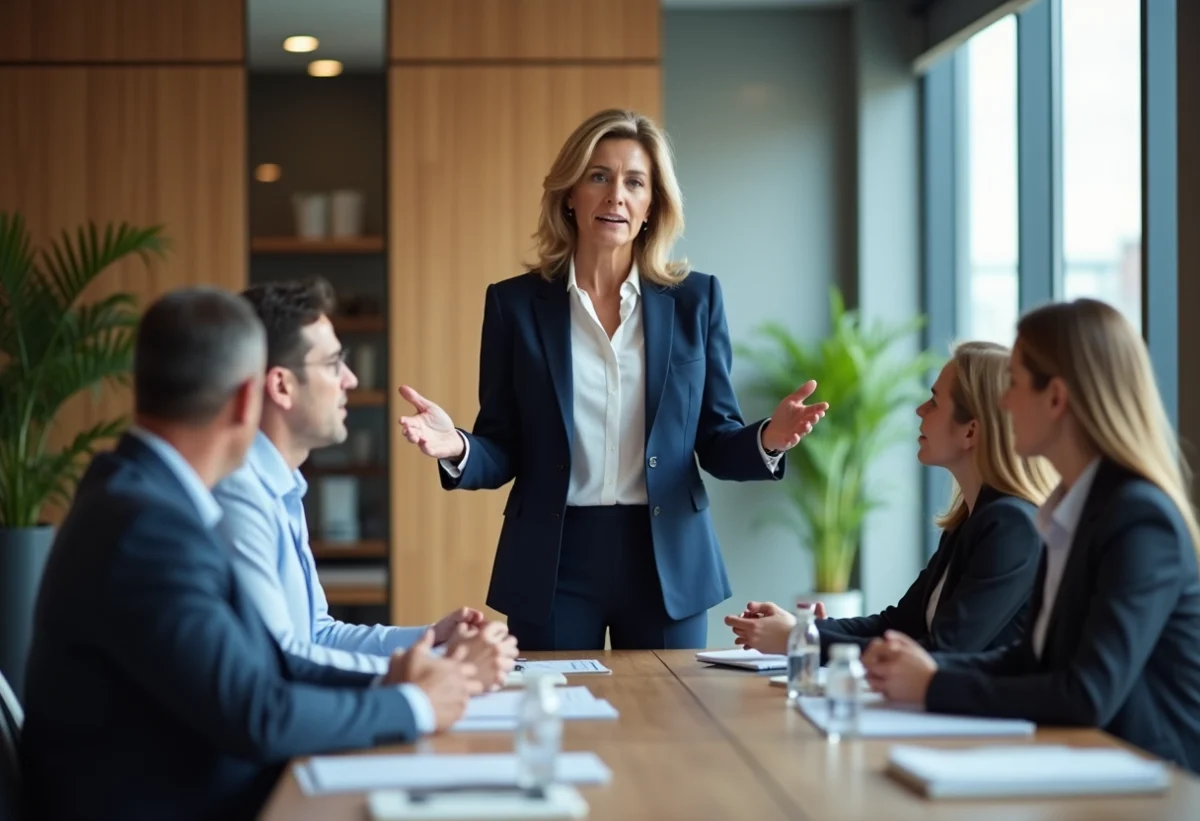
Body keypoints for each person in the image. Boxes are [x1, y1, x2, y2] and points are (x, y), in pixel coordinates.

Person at [21, 288, 480, 821]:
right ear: (249, 399)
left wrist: (412, 679)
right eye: (334, 364)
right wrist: (416, 703)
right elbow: (258, 712)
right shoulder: (149, 528)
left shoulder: (138, 494)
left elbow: (270, 662)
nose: (350, 380)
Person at [397, 108, 828, 650]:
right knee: (553, 702)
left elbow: (715, 441)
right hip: (553, 560)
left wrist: (769, 439)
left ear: (652, 206)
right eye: (599, 176)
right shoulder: (513, 305)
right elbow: (503, 446)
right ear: (570, 195)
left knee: (670, 704)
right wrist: (457, 446)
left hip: (667, 559)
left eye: (635, 182)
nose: (616, 196)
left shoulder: (696, 301)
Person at [863, 299, 1200, 774]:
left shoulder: (1138, 519)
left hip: (1149, 782)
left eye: (1015, 384)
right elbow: (1033, 660)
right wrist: (924, 671)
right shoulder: (1074, 510)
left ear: (1056, 398)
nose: (1002, 404)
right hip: (1087, 767)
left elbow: (1086, 694)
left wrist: (933, 683)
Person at [215, 278, 517, 686]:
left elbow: (318, 635)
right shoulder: (238, 493)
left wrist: (432, 641)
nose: (351, 379)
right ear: (282, 386)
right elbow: (283, 664)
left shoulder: (282, 485)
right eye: (332, 364)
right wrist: (442, 671)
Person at [725, 341, 1056, 657]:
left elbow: (941, 654)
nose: (920, 410)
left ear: (970, 431)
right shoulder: (971, 522)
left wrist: (799, 639)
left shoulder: (1012, 526)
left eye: (935, 402)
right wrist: (803, 628)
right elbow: (897, 626)